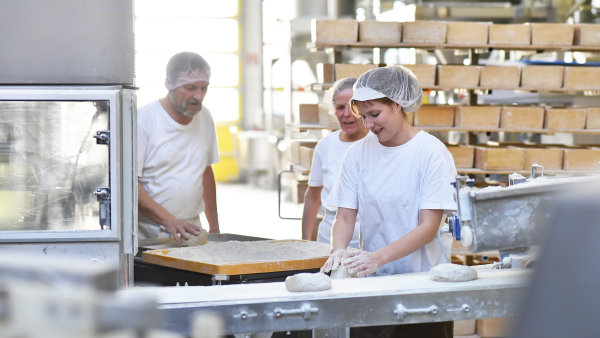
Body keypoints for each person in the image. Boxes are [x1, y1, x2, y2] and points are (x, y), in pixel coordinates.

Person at [321, 65, 457, 337]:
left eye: (375, 114)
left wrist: (378, 257)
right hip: (373, 287)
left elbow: (428, 226)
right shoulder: (358, 154)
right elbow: (345, 216)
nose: (368, 125)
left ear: (397, 105)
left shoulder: (430, 153)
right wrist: (338, 250)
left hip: (424, 288)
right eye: (364, 116)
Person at [137, 52, 220, 246]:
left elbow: (205, 172)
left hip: (191, 230)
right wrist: (169, 220)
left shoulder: (205, 117)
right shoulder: (144, 120)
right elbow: (130, 186)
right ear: (169, 83)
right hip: (151, 234)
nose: (198, 96)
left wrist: (215, 227)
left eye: (203, 88)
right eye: (190, 88)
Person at [301, 77, 368, 248]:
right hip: (328, 241)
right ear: (333, 110)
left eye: (352, 107)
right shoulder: (326, 145)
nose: (346, 114)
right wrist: (305, 243)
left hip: (368, 242)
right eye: (340, 108)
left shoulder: (378, 143)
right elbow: (312, 196)